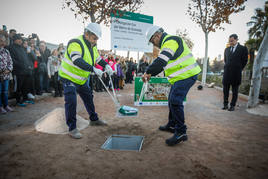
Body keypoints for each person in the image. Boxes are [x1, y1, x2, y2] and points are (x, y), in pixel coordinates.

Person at [142, 25, 201, 146]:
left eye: (152, 41)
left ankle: (181, 132)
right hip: (180, 77)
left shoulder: (170, 41)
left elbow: (161, 61)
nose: (153, 44)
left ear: (157, 35)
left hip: (187, 75)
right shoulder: (167, 44)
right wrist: (151, 73)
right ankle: (172, 124)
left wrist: (148, 72)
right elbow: (163, 64)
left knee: (175, 101)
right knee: (171, 100)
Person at [59, 23, 113, 139]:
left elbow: (98, 59)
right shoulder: (75, 43)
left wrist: (106, 66)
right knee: (71, 100)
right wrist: (93, 68)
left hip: (81, 79)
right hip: (68, 78)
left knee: (89, 97)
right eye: (94, 38)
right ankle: (72, 128)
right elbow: (76, 60)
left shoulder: (93, 46)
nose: (95, 41)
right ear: (86, 34)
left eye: (97, 39)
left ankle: (94, 119)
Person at [222, 34, 248, 111]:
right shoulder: (226, 49)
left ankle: (232, 105)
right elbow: (226, 60)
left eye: (232, 41)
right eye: (229, 41)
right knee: (225, 90)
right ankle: (225, 104)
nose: (230, 42)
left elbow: (245, 60)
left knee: (235, 91)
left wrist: (239, 68)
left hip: (236, 73)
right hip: (227, 73)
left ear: (236, 40)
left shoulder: (243, 49)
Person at [0, 33, 13, 114]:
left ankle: (6, 105)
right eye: (1, 41)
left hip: (6, 75)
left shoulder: (6, 51)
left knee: (5, 91)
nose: (2, 43)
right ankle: (0, 107)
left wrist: (9, 69)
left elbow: (10, 62)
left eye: (3, 41)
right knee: (0, 91)